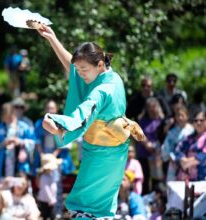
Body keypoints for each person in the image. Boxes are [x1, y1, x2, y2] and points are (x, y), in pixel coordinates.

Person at [36, 25, 145, 218]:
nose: (79, 73)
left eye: (83, 69)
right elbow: (73, 66)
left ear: (100, 65)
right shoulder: (109, 76)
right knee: (99, 208)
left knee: (86, 207)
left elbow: (82, 115)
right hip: (110, 151)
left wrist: (57, 125)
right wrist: (52, 38)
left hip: (103, 155)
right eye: (78, 69)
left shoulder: (101, 91)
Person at [0, 103, 35, 186]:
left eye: (10, 116)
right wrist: (2, 144)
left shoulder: (24, 127)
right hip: (3, 166)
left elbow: (33, 142)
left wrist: (20, 142)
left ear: (14, 113)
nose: (8, 119)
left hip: (20, 166)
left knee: (20, 189)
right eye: (5, 117)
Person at [136, 97, 165, 194]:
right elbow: (138, 133)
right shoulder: (142, 120)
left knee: (157, 180)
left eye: (153, 107)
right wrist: (146, 143)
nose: (151, 109)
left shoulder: (161, 120)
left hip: (157, 156)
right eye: (149, 107)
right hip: (144, 154)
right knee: (145, 178)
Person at [161, 105, 194, 181]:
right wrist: (171, 157)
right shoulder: (171, 132)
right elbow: (166, 148)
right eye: (178, 115)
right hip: (174, 164)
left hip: (190, 163)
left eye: (182, 115)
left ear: (187, 116)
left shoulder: (192, 131)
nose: (180, 118)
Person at [174, 110, 206, 181]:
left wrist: (187, 162)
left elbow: (203, 155)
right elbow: (178, 150)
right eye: (196, 120)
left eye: (201, 120)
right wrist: (182, 159)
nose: (198, 123)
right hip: (187, 178)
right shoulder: (188, 138)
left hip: (203, 177)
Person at [36, 154, 61, 220]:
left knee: (52, 216)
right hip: (45, 201)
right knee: (46, 216)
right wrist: (51, 200)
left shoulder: (51, 175)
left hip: (52, 200)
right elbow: (46, 189)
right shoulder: (44, 177)